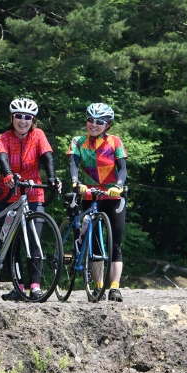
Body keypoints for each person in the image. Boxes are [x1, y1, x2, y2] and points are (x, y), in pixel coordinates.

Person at [0, 98, 61, 301]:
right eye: (18, 116)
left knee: (35, 241)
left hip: (33, 193)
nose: (23, 121)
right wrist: (7, 175)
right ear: (12, 118)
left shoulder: (38, 135)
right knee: (12, 243)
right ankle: (19, 286)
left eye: (28, 117)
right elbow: (2, 157)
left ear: (33, 120)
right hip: (9, 193)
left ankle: (35, 286)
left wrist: (51, 178)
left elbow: (47, 157)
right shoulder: (3, 137)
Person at [67, 102, 127, 302]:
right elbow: (73, 165)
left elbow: (123, 168)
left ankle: (115, 288)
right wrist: (76, 183)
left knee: (115, 245)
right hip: (90, 195)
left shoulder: (114, 141)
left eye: (99, 122)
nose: (93, 124)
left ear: (107, 125)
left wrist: (118, 185)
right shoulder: (78, 141)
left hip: (113, 196)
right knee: (94, 245)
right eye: (90, 120)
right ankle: (99, 286)